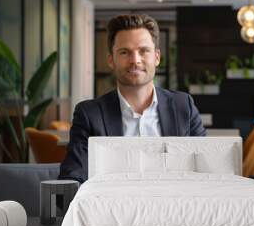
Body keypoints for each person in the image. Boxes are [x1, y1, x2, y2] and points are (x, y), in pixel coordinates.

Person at [59, 14, 206, 183]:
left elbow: (205, 169)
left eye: (144, 51)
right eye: (124, 52)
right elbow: (72, 177)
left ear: (157, 57)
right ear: (111, 60)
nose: (135, 60)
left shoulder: (183, 106)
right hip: (113, 206)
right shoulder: (89, 115)